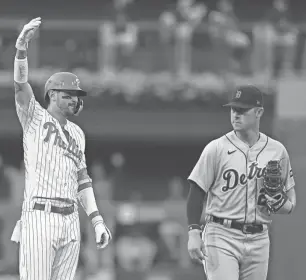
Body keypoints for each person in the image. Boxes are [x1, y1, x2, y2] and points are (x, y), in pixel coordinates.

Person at [10, 17, 112, 280]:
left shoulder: (78, 133)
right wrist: (21, 50)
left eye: (76, 96)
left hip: (70, 219)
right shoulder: (34, 117)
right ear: (52, 95)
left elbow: (83, 180)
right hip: (39, 215)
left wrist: (97, 219)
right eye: (68, 94)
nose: (74, 100)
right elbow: (21, 87)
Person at [186, 85, 296, 280]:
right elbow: (196, 190)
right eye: (233, 109)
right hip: (221, 234)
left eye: (243, 110)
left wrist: (282, 204)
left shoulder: (277, 151)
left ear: (259, 112)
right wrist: (194, 231)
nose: (236, 115)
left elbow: (290, 201)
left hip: (259, 237)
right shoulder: (216, 148)